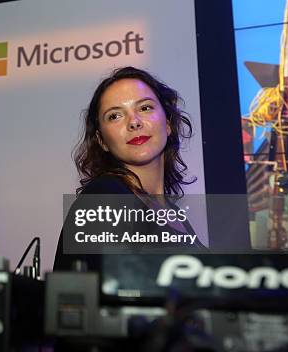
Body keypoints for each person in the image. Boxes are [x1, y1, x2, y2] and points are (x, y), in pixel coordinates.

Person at [54, 66, 203, 271]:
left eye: (145, 108)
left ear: (168, 124)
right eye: (115, 116)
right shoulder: (105, 197)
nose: (134, 122)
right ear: (102, 141)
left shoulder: (174, 213)